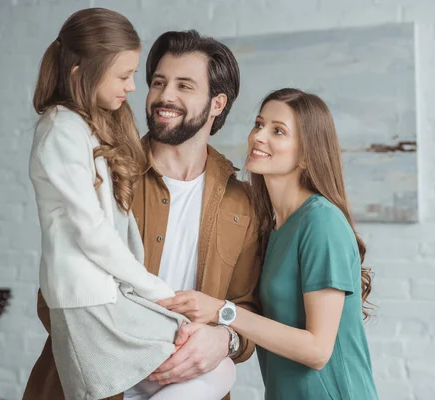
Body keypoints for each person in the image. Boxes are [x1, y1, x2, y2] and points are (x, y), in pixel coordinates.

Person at [24, 24, 261, 400]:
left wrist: (224, 340)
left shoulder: (243, 203)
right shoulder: (108, 168)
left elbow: (247, 309)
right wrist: (138, 354)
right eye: (158, 82)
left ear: (217, 104)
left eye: (184, 86)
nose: (164, 96)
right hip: (92, 385)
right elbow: (57, 291)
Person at [159, 88, 379, 400]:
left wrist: (224, 311)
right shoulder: (273, 225)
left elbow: (318, 350)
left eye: (278, 131)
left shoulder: (321, 223)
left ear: (306, 153)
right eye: (259, 124)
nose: (259, 136)